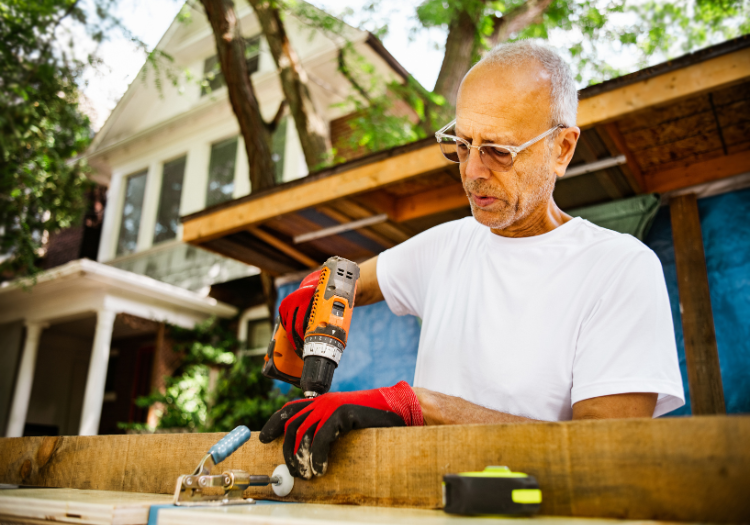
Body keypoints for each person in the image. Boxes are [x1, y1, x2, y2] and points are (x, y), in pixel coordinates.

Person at [259, 41, 684, 480]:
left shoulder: (618, 268)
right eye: (462, 144)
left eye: (498, 150)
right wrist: (321, 286)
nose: (472, 171)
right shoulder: (448, 246)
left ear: (562, 149)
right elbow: (351, 280)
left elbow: (609, 454)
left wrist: (423, 407)